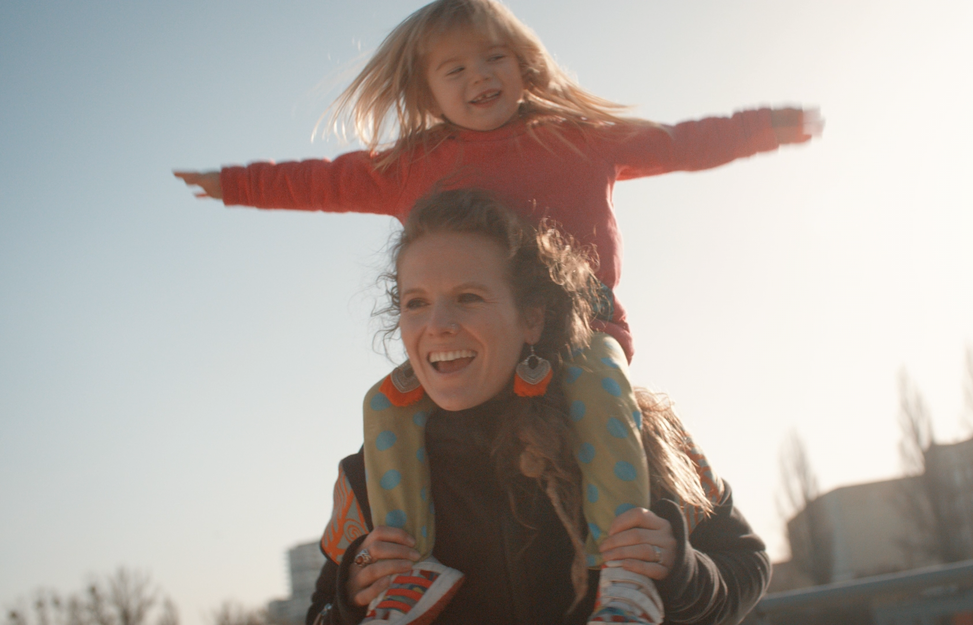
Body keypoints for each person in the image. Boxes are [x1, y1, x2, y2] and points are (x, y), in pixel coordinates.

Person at [173, 0, 816, 620]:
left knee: (595, 385)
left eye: (493, 58)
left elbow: (683, 143)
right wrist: (230, 184)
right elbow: (316, 182)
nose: (479, 77)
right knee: (382, 401)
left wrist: (771, 126)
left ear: (526, 65)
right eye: (454, 69)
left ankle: (621, 571)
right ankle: (409, 572)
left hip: (585, 334)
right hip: (407, 542)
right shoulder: (413, 166)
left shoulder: (576, 140)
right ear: (426, 91)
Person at [308, 189, 770, 625]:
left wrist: (680, 571)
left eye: (468, 297)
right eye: (416, 303)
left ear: (531, 317)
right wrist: (353, 596)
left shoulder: (640, 432)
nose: (438, 325)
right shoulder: (366, 477)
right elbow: (319, 614)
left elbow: (748, 565)